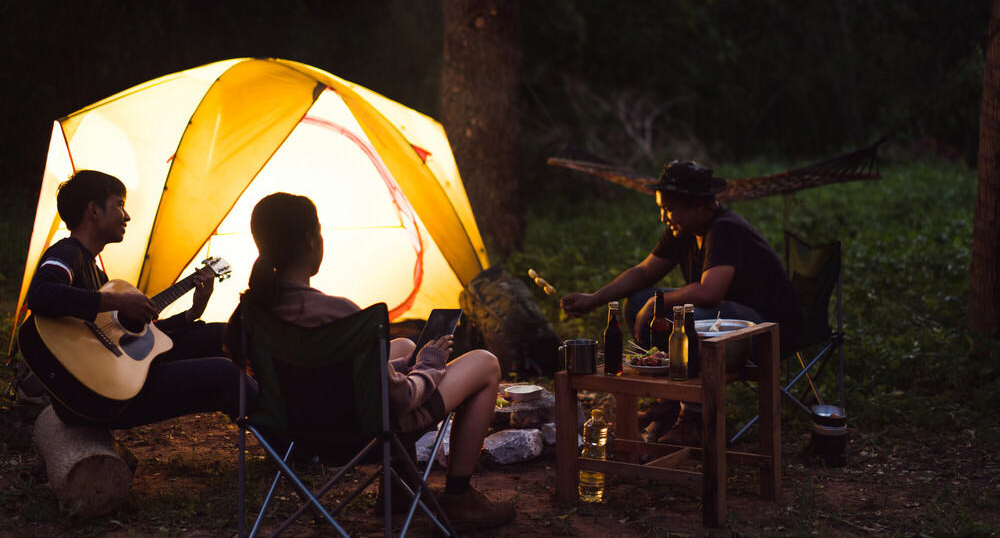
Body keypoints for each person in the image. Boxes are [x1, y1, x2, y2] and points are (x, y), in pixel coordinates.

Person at [227, 192, 515, 532]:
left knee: (404, 344)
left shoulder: (252, 314)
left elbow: (320, 375)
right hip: (364, 432)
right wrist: (430, 363)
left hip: (294, 429)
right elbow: (401, 399)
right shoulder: (340, 315)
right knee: (485, 362)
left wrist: (408, 360)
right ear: (310, 240)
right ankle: (459, 497)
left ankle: (398, 490)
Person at [561, 160, 802, 445]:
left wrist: (657, 302)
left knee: (687, 317)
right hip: (726, 320)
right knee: (637, 300)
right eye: (662, 208)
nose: (664, 217)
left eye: (670, 209)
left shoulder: (725, 229)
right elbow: (645, 272)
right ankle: (667, 402)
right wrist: (595, 299)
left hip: (767, 329)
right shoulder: (683, 229)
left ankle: (694, 417)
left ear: (700, 204)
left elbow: (710, 292)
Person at [24, 169, 256, 427]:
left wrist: (192, 314)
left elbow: (142, 341)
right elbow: (41, 294)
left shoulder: (98, 275)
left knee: (222, 335)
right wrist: (119, 302)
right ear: (94, 210)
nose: (127, 216)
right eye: (120, 205)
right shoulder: (68, 253)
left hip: (115, 379)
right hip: (98, 396)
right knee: (225, 374)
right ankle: (291, 440)